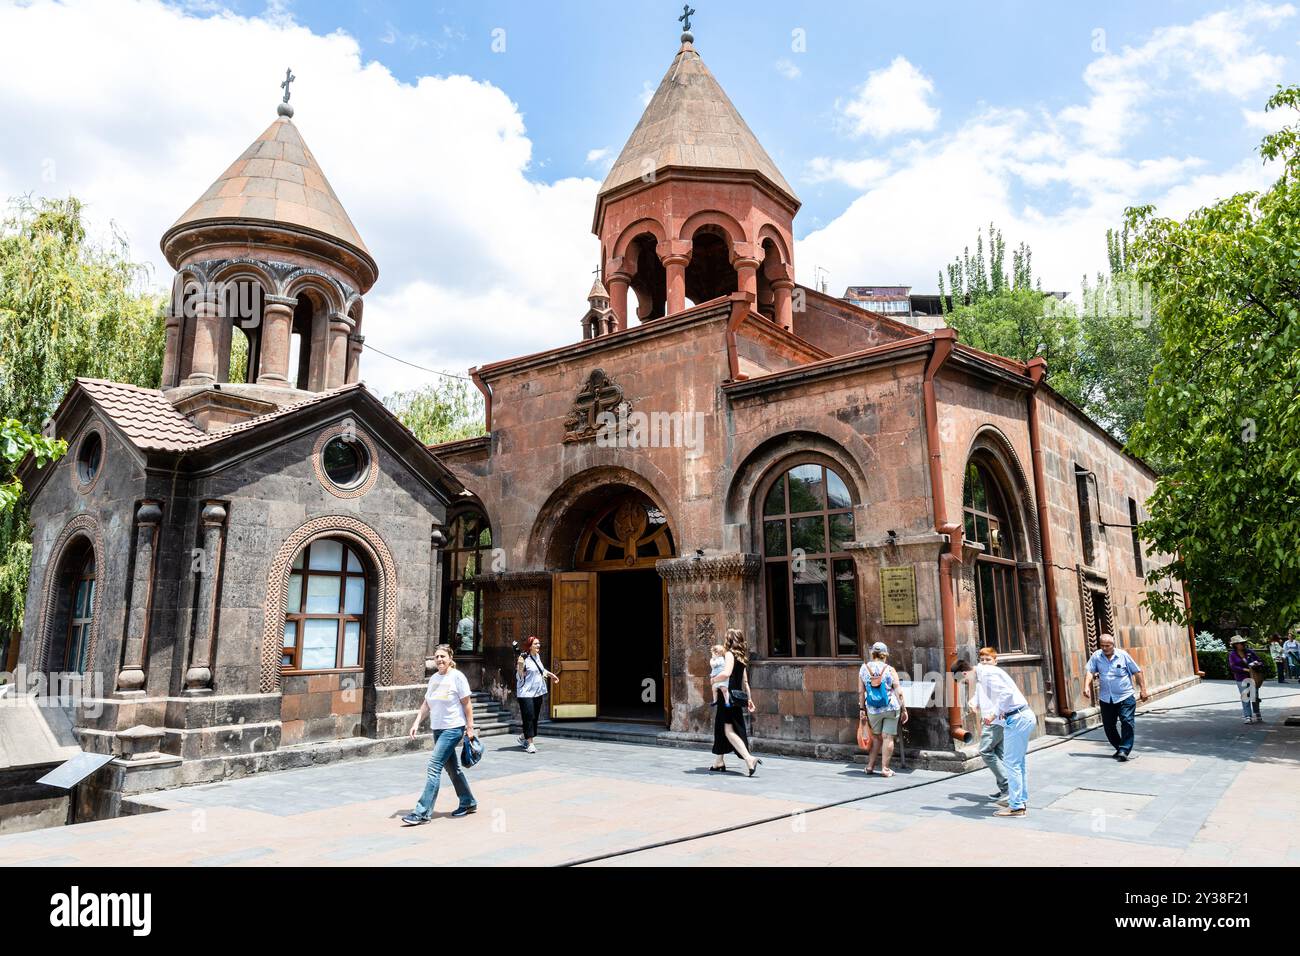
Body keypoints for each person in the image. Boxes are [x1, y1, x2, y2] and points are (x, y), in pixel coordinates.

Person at [402, 644, 477, 825]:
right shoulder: (434, 678)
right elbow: (427, 703)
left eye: (443, 656)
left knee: (434, 766)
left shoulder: (457, 677)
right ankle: (468, 802)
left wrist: (470, 727)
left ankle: (422, 812)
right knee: (452, 769)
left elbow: (466, 703)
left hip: (453, 728)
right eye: (437, 657)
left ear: (450, 658)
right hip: (438, 729)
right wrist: (416, 722)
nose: (440, 660)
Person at [953, 654, 1036, 817]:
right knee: (1018, 763)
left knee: (1012, 763)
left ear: (964, 673)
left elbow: (1006, 695)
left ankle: (1017, 806)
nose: (967, 683)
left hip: (1017, 718)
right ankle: (1017, 799)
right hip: (1019, 717)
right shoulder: (984, 674)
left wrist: (992, 714)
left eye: (965, 681)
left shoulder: (987, 674)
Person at [1086, 633, 1149, 761]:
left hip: (1125, 696)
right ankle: (1120, 747)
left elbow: (1137, 672)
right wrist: (1086, 686)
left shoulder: (1123, 655)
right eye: (1102, 645)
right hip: (1106, 698)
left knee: (1126, 721)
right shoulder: (1097, 656)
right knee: (1108, 726)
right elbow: (1090, 671)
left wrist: (1143, 690)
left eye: (1107, 646)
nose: (1104, 648)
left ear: (1113, 645)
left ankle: (1124, 749)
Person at [709, 628, 761, 776]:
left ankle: (749, 759)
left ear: (729, 640)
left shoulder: (730, 654)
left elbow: (726, 673)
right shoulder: (742, 657)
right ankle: (719, 762)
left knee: (728, 730)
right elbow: (745, 682)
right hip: (735, 698)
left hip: (727, 698)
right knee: (722, 726)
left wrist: (713, 679)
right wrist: (749, 699)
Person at [961, 646, 1008, 800]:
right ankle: (1005, 789)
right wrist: (973, 703)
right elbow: (978, 694)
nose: (985, 662)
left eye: (988, 659)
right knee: (999, 754)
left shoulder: (995, 676)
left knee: (985, 750)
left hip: (994, 719)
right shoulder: (983, 678)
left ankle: (1007, 785)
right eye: (982, 660)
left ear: (996, 661)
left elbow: (1004, 696)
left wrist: (994, 715)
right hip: (993, 718)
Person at [858, 641, 906, 777]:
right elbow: (899, 692)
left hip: (873, 709)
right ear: (885, 655)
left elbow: (861, 692)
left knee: (877, 738)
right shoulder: (890, 669)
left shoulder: (864, 668)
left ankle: (869, 767)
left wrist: (862, 709)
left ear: (872, 653)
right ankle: (885, 769)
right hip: (891, 707)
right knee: (888, 737)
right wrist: (904, 709)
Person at [515, 635, 559, 753]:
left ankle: (523, 737)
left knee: (534, 717)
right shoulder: (524, 658)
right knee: (528, 717)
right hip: (526, 693)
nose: (538, 645)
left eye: (539, 643)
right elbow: (519, 676)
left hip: (537, 692)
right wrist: (520, 665)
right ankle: (530, 744)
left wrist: (551, 675)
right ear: (530, 646)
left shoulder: (537, 656)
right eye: (535, 644)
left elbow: (541, 670)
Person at [1228, 636, 1265, 724]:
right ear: (1235, 645)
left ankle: (1257, 713)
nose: (1242, 644)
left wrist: (1256, 664)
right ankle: (1248, 716)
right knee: (1245, 697)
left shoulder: (1249, 652)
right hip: (1241, 678)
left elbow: (1260, 661)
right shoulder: (1233, 654)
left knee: (1254, 696)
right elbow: (1233, 667)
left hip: (1253, 677)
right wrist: (1245, 669)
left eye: (1242, 643)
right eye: (1240, 643)